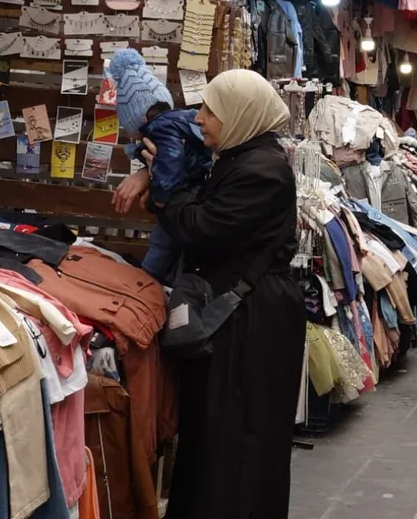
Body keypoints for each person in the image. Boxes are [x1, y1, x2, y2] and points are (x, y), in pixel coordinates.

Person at [117, 69, 305, 518]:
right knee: (215, 440)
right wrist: (150, 174)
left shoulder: (262, 172)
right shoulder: (242, 158)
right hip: (237, 318)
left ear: (240, 115)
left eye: (210, 111)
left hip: (250, 327)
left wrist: (166, 193)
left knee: (237, 443)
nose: (199, 118)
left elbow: (202, 230)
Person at [107, 48, 212, 282]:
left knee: (161, 242)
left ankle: (148, 277)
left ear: (139, 119)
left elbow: (171, 161)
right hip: (195, 192)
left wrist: (160, 196)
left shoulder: (161, 130)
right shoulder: (182, 120)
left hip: (186, 193)